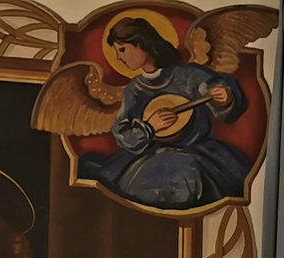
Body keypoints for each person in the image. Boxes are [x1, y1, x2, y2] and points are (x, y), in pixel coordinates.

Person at [78, 17, 252, 210]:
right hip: (150, 157)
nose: (119, 57)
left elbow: (217, 93)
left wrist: (225, 98)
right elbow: (122, 132)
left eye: (122, 49)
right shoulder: (135, 90)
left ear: (142, 44)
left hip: (200, 152)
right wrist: (150, 127)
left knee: (188, 174)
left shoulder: (189, 75)